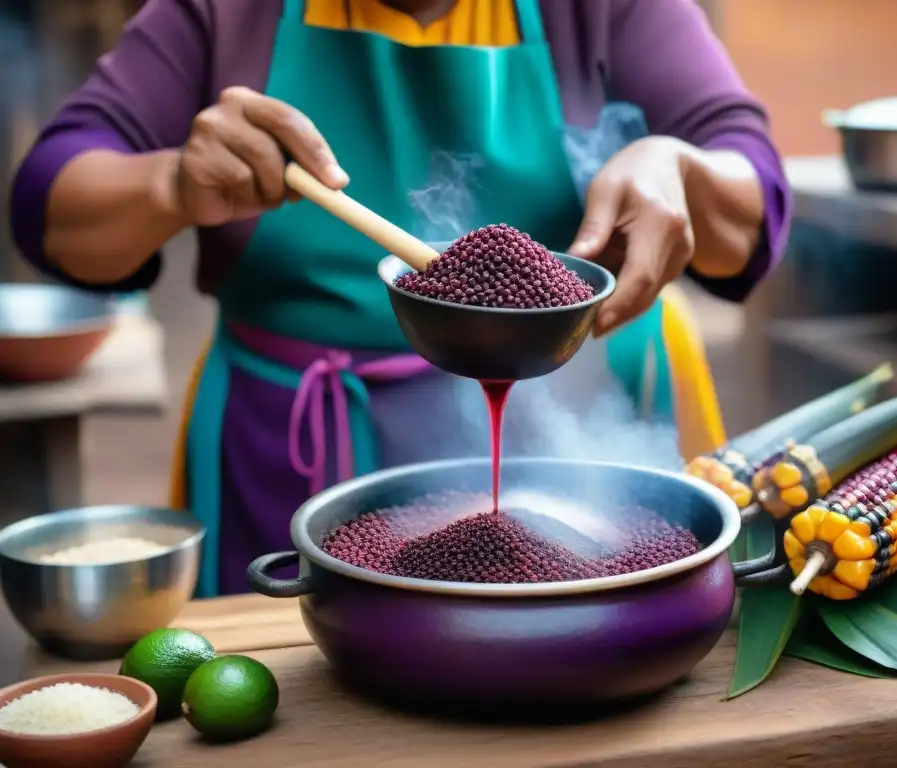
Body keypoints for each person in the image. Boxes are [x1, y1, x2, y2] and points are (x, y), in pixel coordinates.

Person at [9, 0, 792, 597]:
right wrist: (171, 180)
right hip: (290, 462)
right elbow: (52, 207)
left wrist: (681, 170)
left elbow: (754, 204)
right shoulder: (226, 12)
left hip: (582, 447)